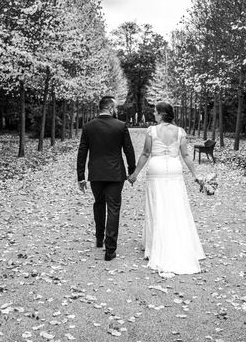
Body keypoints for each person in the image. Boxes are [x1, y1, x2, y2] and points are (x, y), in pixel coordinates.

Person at [128, 101, 205, 275]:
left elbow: (146, 154)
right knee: (176, 205)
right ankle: (178, 240)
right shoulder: (180, 132)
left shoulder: (152, 131)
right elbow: (185, 155)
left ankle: (154, 244)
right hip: (175, 168)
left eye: (155, 112)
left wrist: (134, 174)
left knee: (156, 204)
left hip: (156, 169)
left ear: (162, 114)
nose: (153, 114)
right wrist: (196, 175)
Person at [77, 96, 136, 261]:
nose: (116, 111)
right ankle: (110, 249)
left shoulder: (88, 127)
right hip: (116, 174)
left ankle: (98, 237)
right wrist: (132, 171)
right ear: (110, 108)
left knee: (98, 203)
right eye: (115, 108)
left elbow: (82, 152)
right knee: (114, 208)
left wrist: (81, 176)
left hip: (96, 173)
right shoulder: (121, 126)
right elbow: (129, 150)